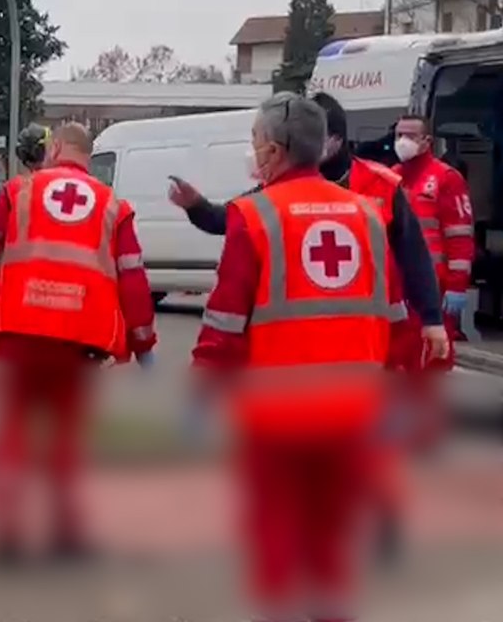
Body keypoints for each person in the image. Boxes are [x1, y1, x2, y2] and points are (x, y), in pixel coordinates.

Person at [168, 94, 449, 565]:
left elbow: (413, 259)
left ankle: (376, 526)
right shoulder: (356, 209)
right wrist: (198, 207)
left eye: (256, 141)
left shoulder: (373, 189)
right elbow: (394, 297)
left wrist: (433, 321)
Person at [193, 92, 404, 622]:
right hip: (354, 406)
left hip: (279, 409)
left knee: (276, 528)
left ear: (274, 150)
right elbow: (394, 315)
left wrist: (202, 394)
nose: (254, 153)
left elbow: (224, 323)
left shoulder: (254, 215)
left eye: (255, 144)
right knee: (332, 529)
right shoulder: (368, 215)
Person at [0, 121, 158, 562]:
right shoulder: (113, 206)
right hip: (80, 342)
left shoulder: (20, 191)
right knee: (66, 439)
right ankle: (67, 534)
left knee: (11, 434)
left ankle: (7, 533)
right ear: (88, 156)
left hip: (20, 333)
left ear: (55, 148)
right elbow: (133, 279)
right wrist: (143, 342)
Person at [392, 113, 477, 449]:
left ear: (427, 141)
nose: (403, 141)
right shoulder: (393, 178)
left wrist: (457, 286)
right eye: (399, 134)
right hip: (399, 291)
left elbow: (460, 236)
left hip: (435, 292)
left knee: (430, 365)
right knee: (400, 363)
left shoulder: (446, 179)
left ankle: (425, 436)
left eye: (411, 135)